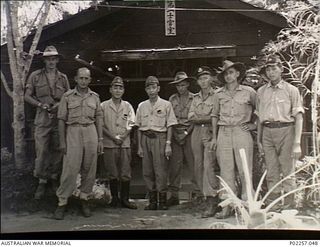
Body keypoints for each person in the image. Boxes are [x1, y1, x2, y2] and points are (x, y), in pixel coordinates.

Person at [53, 67, 103, 220]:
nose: (83, 81)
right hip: (73, 132)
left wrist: (100, 139)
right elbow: (61, 119)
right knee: (70, 168)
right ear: (75, 79)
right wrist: (62, 141)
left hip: (91, 131)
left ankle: (84, 199)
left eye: (86, 78)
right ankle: (62, 202)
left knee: (89, 168)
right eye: (81, 78)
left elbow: (99, 118)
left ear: (90, 80)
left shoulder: (95, 97)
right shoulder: (67, 96)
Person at [256, 54, 304, 210]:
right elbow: (259, 118)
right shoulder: (261, 92)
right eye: (268, 69)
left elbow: (299, 117)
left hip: (286, 131)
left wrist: (297, 143)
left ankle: (290, 206)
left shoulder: (292, 90)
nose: (271, 72)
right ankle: (274, 204)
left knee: (287, 168)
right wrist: (259, 140)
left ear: (281, 69)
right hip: (267, 132)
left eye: (274, 68)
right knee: (271, 169)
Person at [211, 60, 257, 218]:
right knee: (226, 171)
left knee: (245, 169)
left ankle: (249, 204)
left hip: (241, 131)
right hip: (223, 132)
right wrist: (215, 137)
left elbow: (260, 110)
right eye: (225, 74)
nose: (228, 76)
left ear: (238, 74)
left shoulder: (249, 92)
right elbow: (214, 115)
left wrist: (254, 125)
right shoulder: (218, 94)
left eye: (231, 72)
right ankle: (227, 205)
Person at [25, 45, 70, 200]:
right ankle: (41, 181)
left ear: (57, 60)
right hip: (42, 117)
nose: (51, 62)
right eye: (48, 59)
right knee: (42, 150)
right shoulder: (35, 76)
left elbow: (68, 97)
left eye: (53, 59)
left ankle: (53, 179)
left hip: (59, 118)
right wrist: (40, 105)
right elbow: (27, 96)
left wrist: (59, 105)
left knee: (58, 150)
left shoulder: (63, 78)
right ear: (44, 60)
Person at [135, 76, 177, 210]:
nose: (151, 90)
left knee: (160, 170)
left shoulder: (166, 104)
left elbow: (170, 125)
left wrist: (168, 143)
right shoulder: (142, 106)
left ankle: (162, 201)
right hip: (146, 138)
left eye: (154, 87)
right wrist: (140, 146)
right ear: (145, 90)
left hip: (160, 138)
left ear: (158, 88)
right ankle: (152, 202)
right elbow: (138, 127)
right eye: (148, 88)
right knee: (147, 170)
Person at [100, 76, 137, 209]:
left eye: (120, 88)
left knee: (125, 172)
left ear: (123, 90)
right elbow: (101, 125)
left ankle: (125, 199)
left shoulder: (127, 106)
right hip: (110, 144)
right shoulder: (103, 106)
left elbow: (132, 123)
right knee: (112, 172)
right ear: (110, 89)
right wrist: (113, 137)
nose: (117, 90)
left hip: (124, 143)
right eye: (115, 87)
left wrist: (122, 136)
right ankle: (114, 199)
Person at [188, 66, 220, 217]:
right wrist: (206, 117)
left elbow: (216, 117)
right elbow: (190, 117)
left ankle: (213, 200)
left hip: (210, 131)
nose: (203, 81)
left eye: (206, 77)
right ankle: (204, 197)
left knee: (209, 165)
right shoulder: (195, 97)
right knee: (198, 166)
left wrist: (202, 118)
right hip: (196, 132)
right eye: (200, 78)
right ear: (198, 82)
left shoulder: (217, 95)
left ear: (211, 79)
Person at [167, 72, 197, 206]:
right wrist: (174, 135)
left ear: (188, 84)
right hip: (174, 134)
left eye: (183, 85)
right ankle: (174, 195)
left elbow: (195, 119)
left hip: (189, 133)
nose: (181, 87)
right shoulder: (171, 99)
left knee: (193, 164)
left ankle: (197, 194)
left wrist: (185, 133)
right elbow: (169, 119)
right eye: (178, 85)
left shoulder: (194, 98)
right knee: (175, 166)